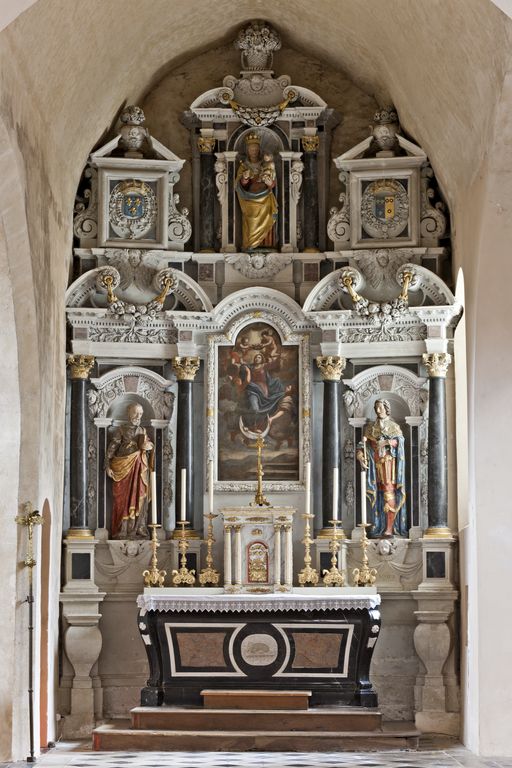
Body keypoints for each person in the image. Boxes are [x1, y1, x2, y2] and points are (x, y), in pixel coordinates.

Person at [356, 399, 408, 537]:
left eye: (380, 407)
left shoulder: (394, 426)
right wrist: (360, 455)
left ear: (386, 408)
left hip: (389, 466)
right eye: (376, 407)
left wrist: (386, 441)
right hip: (374, 466)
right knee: (377, 494)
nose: (377, 410)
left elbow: (400, 442)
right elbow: (363, 444)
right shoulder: (370, 428)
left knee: (388, 492)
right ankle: (378, 524)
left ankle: (390, 528)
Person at [105, 403, 153, 539]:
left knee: (139, 497)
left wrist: (148, 447)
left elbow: (149, 446)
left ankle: (137, 529)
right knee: (122, 499)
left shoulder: (143, 431)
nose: (138, 416)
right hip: (122, 468)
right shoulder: (120, 430)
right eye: (135, 413)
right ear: (128, 412)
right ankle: (121, 529)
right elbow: (111, 449)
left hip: (139, 470)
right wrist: (107, 465)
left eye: (140, 414)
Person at [236, 132, 278, 251]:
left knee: (268, 219)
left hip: (265, 199)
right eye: (251, 149)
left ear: (259, 150)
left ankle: (267, 245)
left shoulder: (265, 164)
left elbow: (273, 182)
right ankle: (251, 245)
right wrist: (244, 178)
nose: (253, 151)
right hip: (249, 201)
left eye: (255, 149)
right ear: (247, 151)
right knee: (250, 225)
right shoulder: (244, 166)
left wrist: (270, 182)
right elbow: (238, 185)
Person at [239, 353, 293, 431]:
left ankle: (257, 427)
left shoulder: (264, 366)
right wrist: (246, 368)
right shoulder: (250, 367)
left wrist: (279, 357)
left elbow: (274, 364)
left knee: (264, 409)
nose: (257, 358)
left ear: (262, 359)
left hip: (263, 391)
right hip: (252, 390)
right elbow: (242, 367)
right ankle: (252, 425)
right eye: (256, 357)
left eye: (259, 357)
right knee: (255, 408)